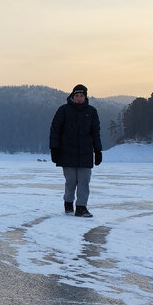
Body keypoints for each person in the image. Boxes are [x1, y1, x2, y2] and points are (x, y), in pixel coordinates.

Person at [49, 84, 103, 217]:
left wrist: (98, 150)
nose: (79, 98)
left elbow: (96, 132)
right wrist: (54, 148)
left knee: (84, 181)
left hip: (85, 153)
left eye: (81, 96)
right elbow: (55, 130)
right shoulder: (63, 110)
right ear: (72, 96)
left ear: (85, 97)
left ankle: (81, 207)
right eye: (77, 96)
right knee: (71, 181)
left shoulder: (91, 112)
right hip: (67, 152)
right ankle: (68, 202)